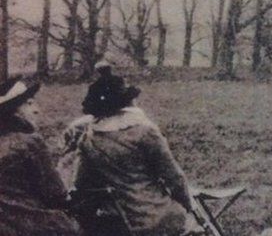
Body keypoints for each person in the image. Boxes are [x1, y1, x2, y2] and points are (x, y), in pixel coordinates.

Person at [71, 74, 195, 236]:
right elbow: (173, 177)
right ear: (127, 103)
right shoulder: (144, 131)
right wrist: (189, 204)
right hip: (154, 217)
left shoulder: (88, 139)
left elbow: (80, 183)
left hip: (114, 223)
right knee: (189, 220)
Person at [0, 76, 81, 236]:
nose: (37, 109)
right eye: (29, 103)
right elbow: (56, 194)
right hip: (33, 226)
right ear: (13, 111)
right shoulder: (29, 142)